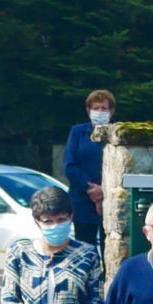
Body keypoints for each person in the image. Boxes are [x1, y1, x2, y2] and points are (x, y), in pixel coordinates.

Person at [61, 90, 114, 245]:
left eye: (103, 108)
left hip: (112, 201)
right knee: (84, 247)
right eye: (96, 108)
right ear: (88, 110)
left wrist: (104, 191)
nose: (100, 111)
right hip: (83, 201)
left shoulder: (117, 133)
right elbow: (70, 165)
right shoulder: (77, 132)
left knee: (111, 247)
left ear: (111, 111)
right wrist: (91, 189)